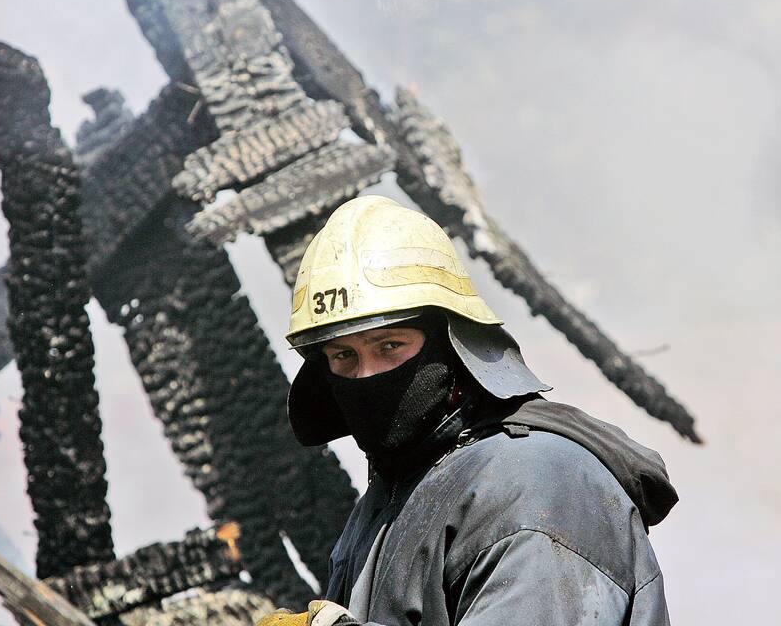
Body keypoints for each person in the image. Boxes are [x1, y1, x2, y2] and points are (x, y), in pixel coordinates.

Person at [262, 195, 677, 626]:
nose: (367, 375)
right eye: (343, 356)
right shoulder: (395, 494)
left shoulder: (535, 486)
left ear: (453, 343)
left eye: (391, 346)